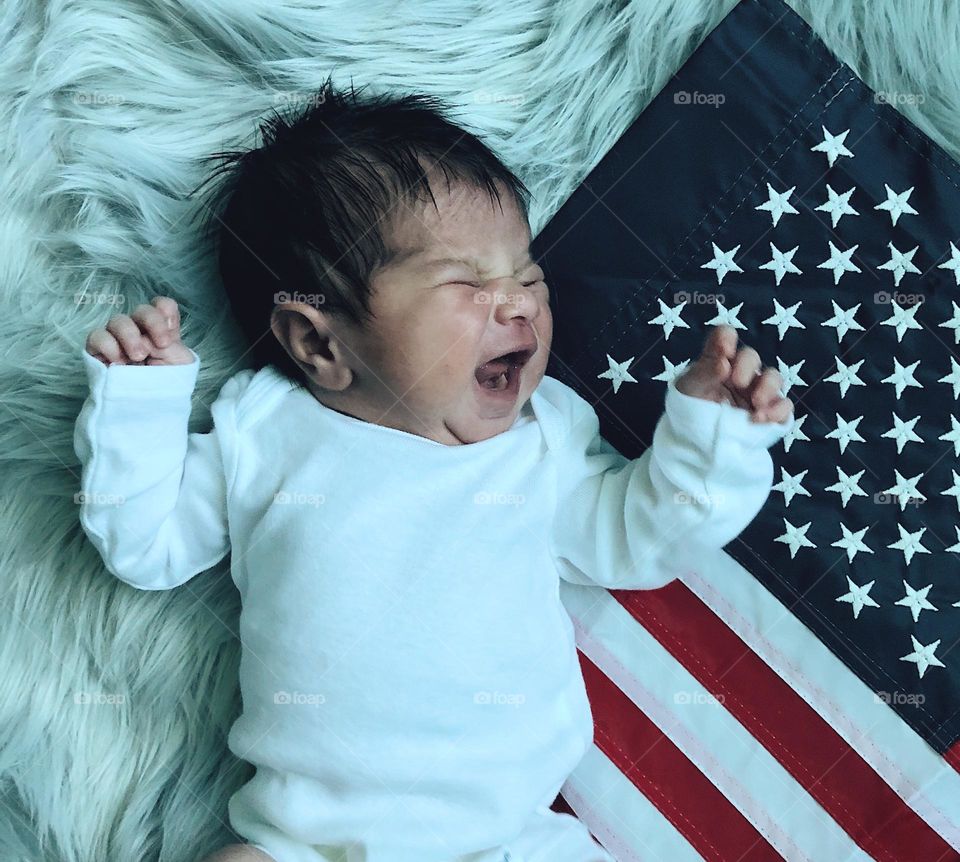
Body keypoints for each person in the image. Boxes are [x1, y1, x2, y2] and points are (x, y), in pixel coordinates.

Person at [75, 81, 793, 862]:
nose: (518, 305)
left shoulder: (538, 441)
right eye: (468, 284)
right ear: (320, 345)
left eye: (527, 277)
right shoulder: (265, 431)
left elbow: (638, 538)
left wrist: (709, 438)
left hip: (510, 837)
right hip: (306, 838)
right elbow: (146, 547)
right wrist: (141, 404)